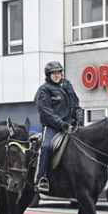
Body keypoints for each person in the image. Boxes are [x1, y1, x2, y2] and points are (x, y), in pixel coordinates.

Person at [34, 61, 84, 192]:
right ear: (48, 75)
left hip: (71, 125)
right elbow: (46, 112)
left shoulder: (67, 86)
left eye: (58, 73)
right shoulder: (44, 91)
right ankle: (41, 178)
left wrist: (79, 118)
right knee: (45, 147)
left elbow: (76, 104)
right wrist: (60, 123)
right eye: (54, 74)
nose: (57, 75)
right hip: (52, 127)